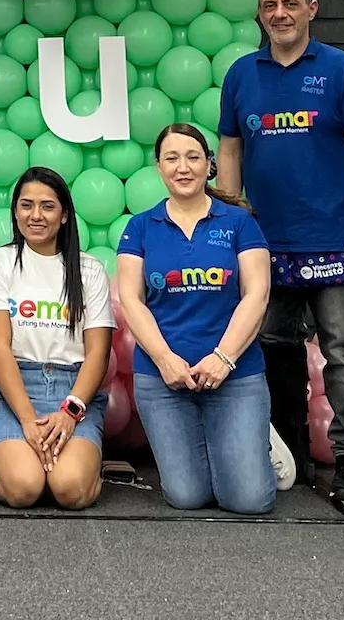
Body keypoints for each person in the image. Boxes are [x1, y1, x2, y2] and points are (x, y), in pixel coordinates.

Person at [216, 0, 344, 502]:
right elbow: (230, 151)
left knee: (342, 348)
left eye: (291, 3)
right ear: (259, 15)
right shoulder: (241, 74)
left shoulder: (343, 70)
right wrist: (231, 224)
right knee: (272, 347)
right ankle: (290, 450)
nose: (280, 14)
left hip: (333, 240)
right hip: (265, 243)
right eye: (270, 6)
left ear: (312, 9)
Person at [115, 124, 277, 515]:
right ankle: (233, 453)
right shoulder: (139, 227)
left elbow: (257, 295)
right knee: (186, 497)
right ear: (159, 167)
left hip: (235, 376)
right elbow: (131, 300)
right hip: (163, 379)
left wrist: (223, 358)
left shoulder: (239, 222)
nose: (182, 167)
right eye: (171, 158)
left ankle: (258, 446)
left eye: (192, 157)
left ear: (209, 164)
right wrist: (164, 359)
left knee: (249, 500)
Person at [0, 168, 113, 510]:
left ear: (64, 214)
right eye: (26, 205)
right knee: (24, 488)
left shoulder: (89, 270)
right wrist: (27, 419)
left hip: (73, 391)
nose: (35, 215)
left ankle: (85, 468)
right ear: (15, 211)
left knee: (69, 490)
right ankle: (1, 464)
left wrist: (70, 412)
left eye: (47, 206)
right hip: (15, 390)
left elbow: (98, 353)